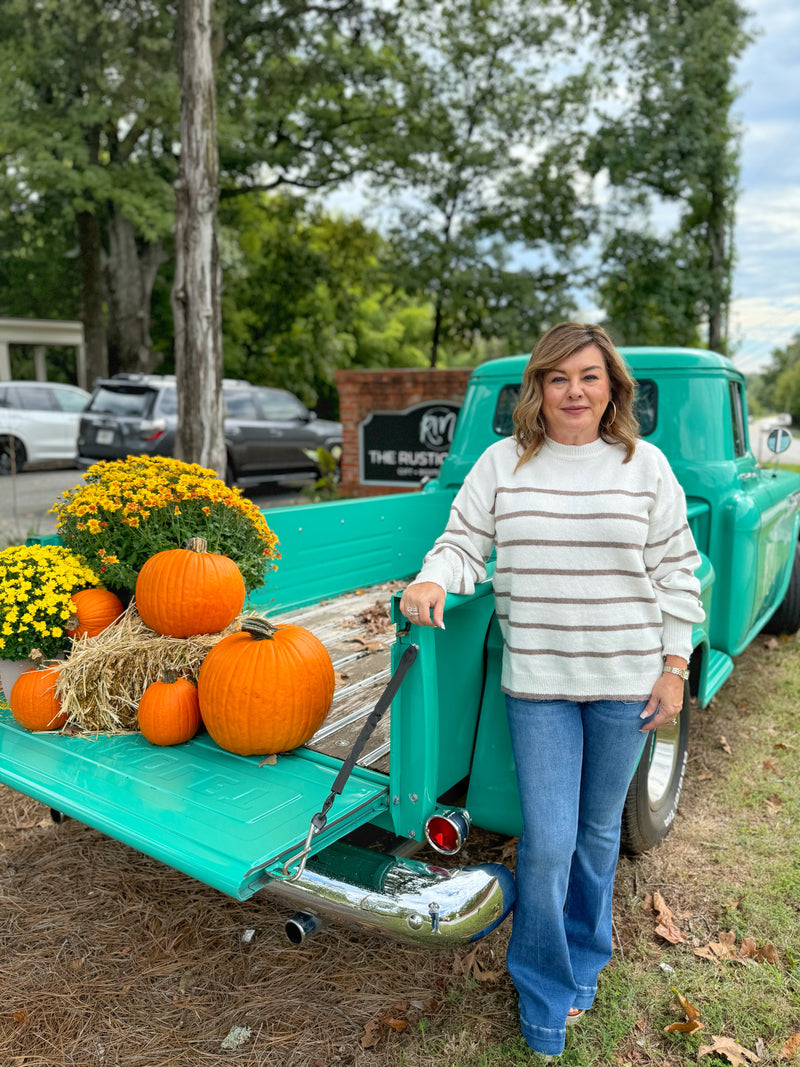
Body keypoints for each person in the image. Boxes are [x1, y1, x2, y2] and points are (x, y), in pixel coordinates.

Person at [399, 322, 704, 1060]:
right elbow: (463, 539)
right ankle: (542, 992)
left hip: (626, 683)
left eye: (589, 376)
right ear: (537, 388)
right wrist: (435, 576)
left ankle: (584, 959)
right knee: (547, 844)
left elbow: (678, 572)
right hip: (537, 685)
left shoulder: (645, 466)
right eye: (559, 377)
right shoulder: (505, 463)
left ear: (612, 389)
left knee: (600, 837)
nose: (574, 390)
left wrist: (674, 666)